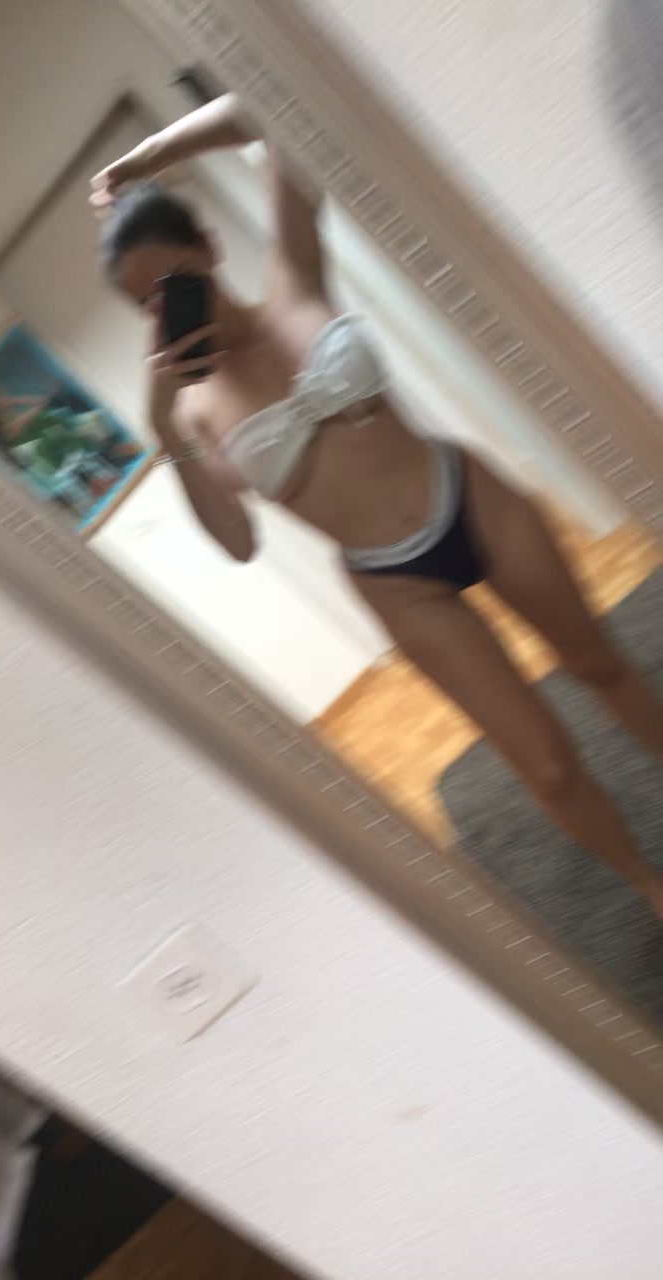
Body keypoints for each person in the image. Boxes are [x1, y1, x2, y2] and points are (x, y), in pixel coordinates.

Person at [91, 92, 663, 918]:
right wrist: (159, 424)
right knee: (547, 768)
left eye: (171, 282)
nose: (164, 310)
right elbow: (238, 542)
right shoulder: (193, 412)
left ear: (209, 247)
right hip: (396, 580)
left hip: (470, 498)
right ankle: (649, 885)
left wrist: (149, 157)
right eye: (144, 303)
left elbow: (270, 101)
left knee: (598, 663)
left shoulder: (292, 278)